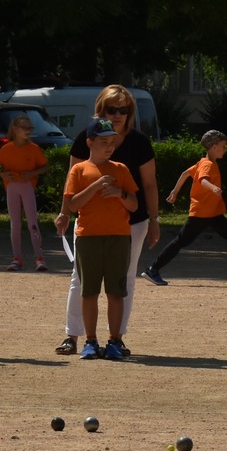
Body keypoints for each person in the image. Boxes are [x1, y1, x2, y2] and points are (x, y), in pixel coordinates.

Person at [56, 87, 159, 355]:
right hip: (90, 223)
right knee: (80, 279)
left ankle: (117, 338)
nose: (117, 115)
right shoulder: (85, 138)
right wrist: (65, 213)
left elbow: (149, 185)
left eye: (122, 110)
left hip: (132, 222)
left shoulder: (139, 142)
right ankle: (75, 336)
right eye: (111, 109)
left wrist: (155, 220)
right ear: (102, 110)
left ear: (130, 113)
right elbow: (72, 180)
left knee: (125, 280)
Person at [55, 117, 138, 360]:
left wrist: (119, 193)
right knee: (89, 291)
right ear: (90, 143)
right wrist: (97, 185)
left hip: (118, 237)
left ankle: (114, 340)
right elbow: (73, 204)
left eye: (112, 141)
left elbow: (133, 204)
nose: (109, 146)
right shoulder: (79, 170)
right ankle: (90, 341)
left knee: (116, 292)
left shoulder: (121, 169)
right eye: (104, 141)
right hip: (88, 237)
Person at [144, 130, 227, 285]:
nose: (226, 149)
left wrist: (175, 191)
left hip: (213, 213)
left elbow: (185, 173)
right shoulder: (208, 164)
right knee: (181, 241)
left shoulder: (202, 162)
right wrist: (212, 188)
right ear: (213, 147)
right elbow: (203, 180)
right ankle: (153, 269)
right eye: (223, 146)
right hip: (202, 214)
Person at [0, 113, 50, 271]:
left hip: (27, 187)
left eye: (30, 128)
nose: (28, 131)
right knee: (15, 224)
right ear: (15, 129)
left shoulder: (34, 149)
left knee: (32, 223)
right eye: (24, 128)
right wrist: (3, 174)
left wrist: (32, 173)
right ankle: (17, 257)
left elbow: (45, 166)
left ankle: (39, 257)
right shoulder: (7, 148)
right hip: (12, 187)